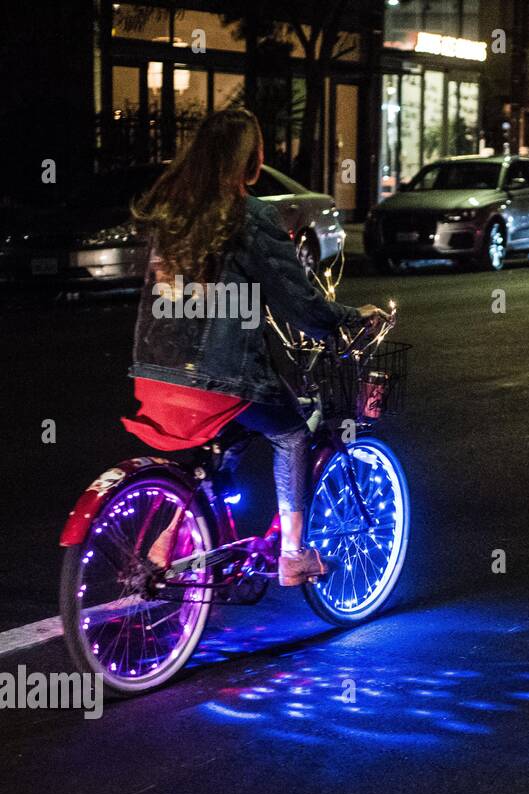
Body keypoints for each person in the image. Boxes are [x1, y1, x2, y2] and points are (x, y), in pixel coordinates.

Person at [126, 109, 389, 585]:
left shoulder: (174, 215)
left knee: (227, 437)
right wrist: (350, 319)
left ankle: (169, 538)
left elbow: (190, 298)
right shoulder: (251, 217)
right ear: (251, 160)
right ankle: (293, 555)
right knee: (289, 432)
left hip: (153, 374)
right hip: (217, 378)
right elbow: (300, 301)